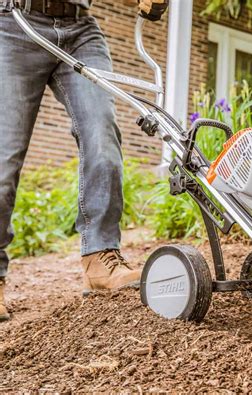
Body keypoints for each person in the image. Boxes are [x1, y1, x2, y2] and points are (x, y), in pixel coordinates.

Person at [0, 0, 169, 322]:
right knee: (3, 157)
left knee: (102, 135)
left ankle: (100, 257)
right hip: (13, 23)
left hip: (80, 29)